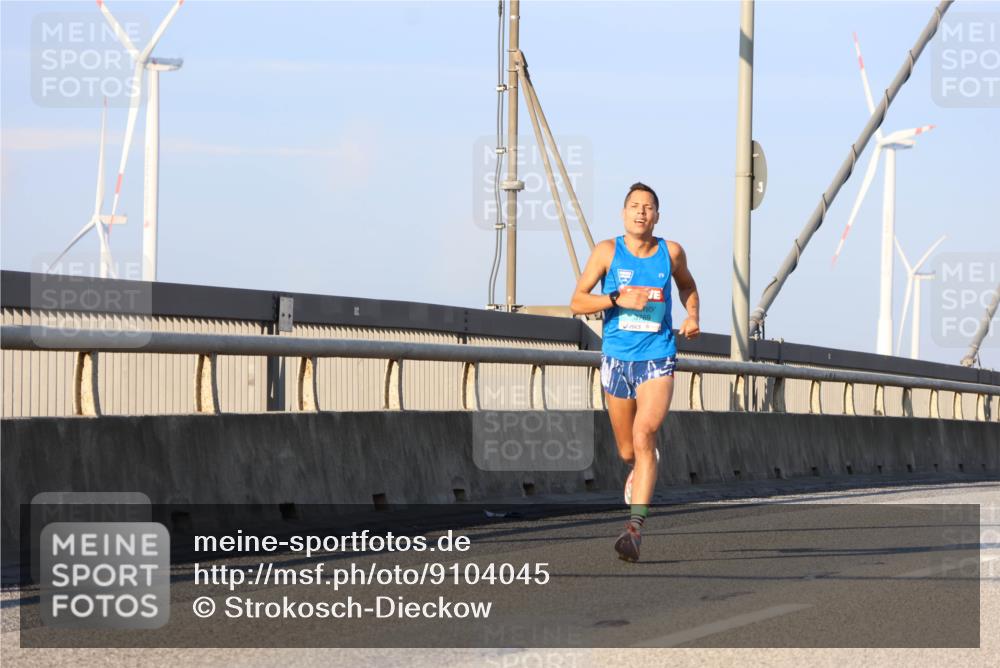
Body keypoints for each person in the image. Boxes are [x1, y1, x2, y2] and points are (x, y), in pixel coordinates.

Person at [569, 182, 700, 562]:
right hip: (616, 358)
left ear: (657, 216)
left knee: (645, 432)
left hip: (658, 356)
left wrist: (693, 316)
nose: (641, 212)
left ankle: (634, 529)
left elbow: (688, 286)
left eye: (648, 207)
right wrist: (615, 298)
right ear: (623, 214)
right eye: (634, 206)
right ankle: (640, 464)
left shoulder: (670, 253)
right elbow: (577, 301)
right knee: (629, 449)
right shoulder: (607, 252)